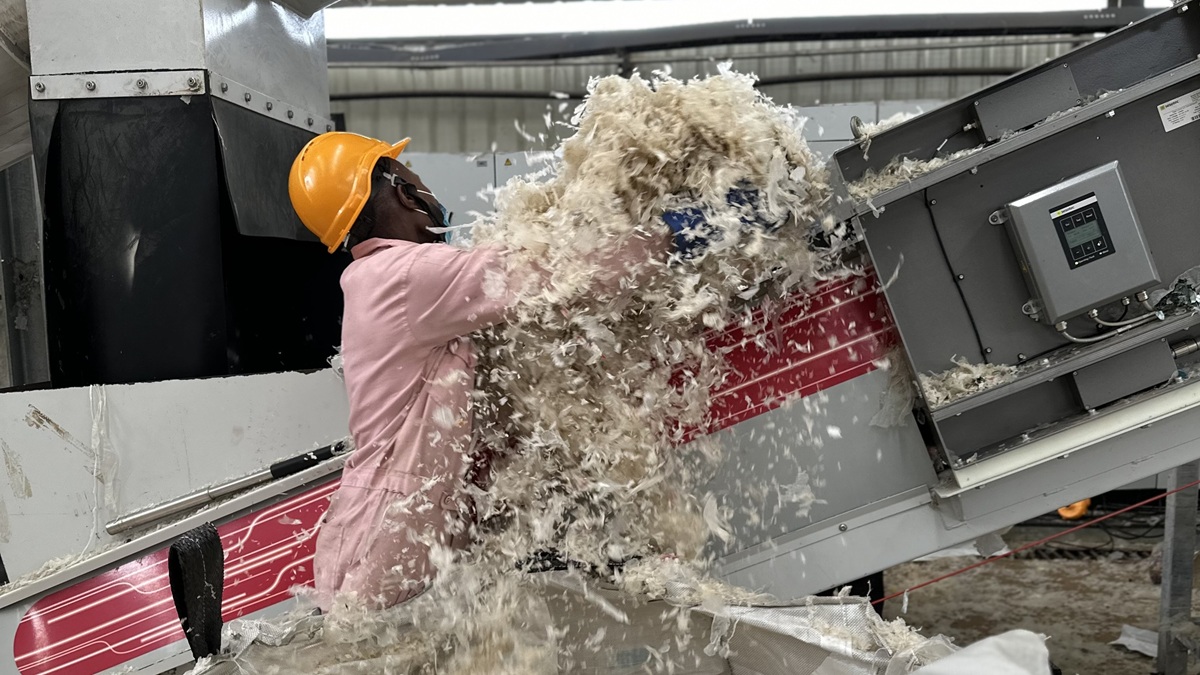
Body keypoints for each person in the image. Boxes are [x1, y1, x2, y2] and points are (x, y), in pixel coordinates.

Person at [288, 132, 668, 611]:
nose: (424, 186)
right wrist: (673, 235)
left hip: (391, 530)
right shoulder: (405, 276)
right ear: (403, 191)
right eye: (412, 176)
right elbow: (557, 270)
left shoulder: (382, 280)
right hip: (384, 540)